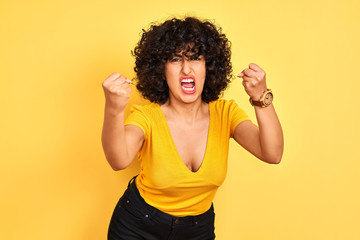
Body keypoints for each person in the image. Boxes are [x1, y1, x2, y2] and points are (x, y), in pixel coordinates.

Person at [101, 16, 283, 240]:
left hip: (197, 230)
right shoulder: (146, 117)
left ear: (208, 66)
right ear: (161, 69)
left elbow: (272, 153)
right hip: (138, 226)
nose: (186, 69)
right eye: (176, 59)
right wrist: (113, 109)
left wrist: (261, 98)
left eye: (195, 58)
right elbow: (118, 161)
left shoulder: (225, 114)